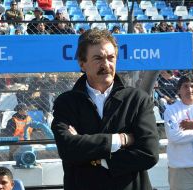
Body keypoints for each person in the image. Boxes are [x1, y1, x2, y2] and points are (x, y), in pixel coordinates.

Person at [51, 28, 159, 190]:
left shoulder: (137, 100)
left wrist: (99, 160)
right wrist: (120, 140)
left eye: (110, 58)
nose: (106, 64)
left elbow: (149, 153)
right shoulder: (66, 102)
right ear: (82, 63)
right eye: (98, 58)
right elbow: (68, 148)